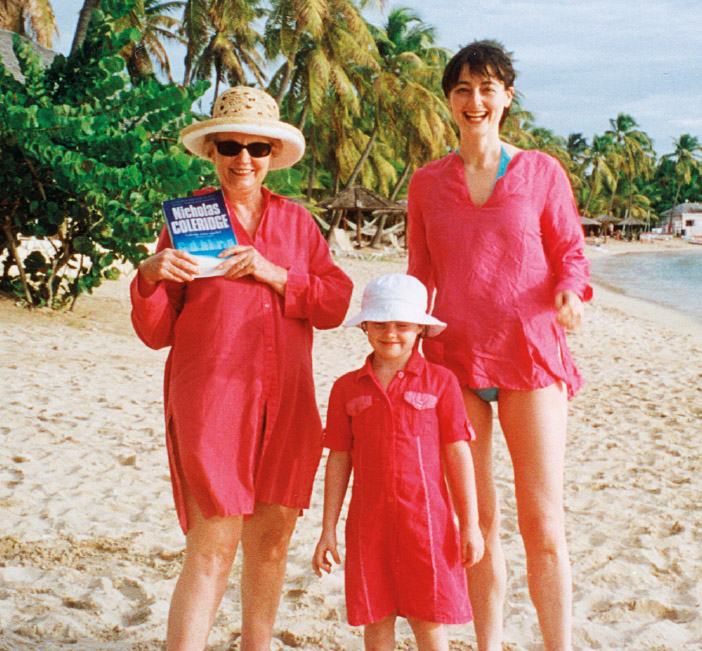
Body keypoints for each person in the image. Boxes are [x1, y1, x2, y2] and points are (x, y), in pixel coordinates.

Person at [130, 86, 353, 651]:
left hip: (289, 402)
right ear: (212, 151)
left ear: (273, 154)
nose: (243, 159)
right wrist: (150, 275)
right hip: (212, 402)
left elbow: (333, 304)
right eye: (230, 145)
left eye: (257, 147)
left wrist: (276, 274)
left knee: (274, 542)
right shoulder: (188, 218)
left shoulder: (299, 225)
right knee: (213, 542)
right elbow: (156, 332)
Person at [407, 42, 592, 651]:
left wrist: (569, 294)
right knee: (476, 522)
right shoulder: (428, 184)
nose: (475, 100)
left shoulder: (541, 171)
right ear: (449, 101)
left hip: (531, 358)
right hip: (453, 363)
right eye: (462, 89)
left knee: (542, 525)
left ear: (507, 96)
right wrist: (403, 348)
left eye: (487, 88)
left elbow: (569, 253)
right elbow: (419, 275)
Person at [312, 273, 484, 651]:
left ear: (421, 329)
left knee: (429, 619)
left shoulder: (441, 383)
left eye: (402, 325)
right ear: (365, 327)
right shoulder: (345, 387)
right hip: (367, 526)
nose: (390, 333)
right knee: (376, 619)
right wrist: (328, 528)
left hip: (428, 525)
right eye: (380, 324)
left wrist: (469, 524)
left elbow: (458, 454)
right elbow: (338, 459)